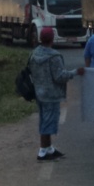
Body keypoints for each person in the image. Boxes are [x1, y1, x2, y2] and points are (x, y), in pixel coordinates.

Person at [28, 27, 84, 161]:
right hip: (51, 93)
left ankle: (49, 148)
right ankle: (42, 151)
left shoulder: (34, 54)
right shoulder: (54, 56)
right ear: (52, 39)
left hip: (39, 91)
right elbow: (59, 76)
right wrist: (75, 72)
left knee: (44, 119)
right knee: (49, 121)